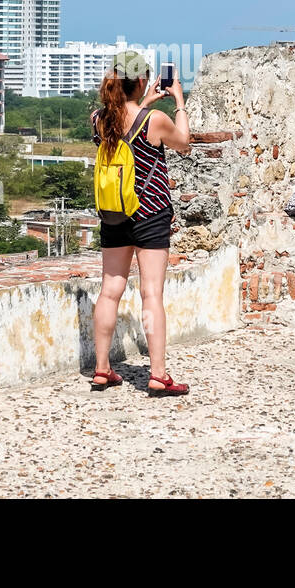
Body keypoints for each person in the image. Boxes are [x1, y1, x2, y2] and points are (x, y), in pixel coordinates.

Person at [89, 51, 192, 396]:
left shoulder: (98, 119)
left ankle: (102, 368)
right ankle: (158, 373)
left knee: (110, 290)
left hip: (113, 214)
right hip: (150, 213)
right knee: (151, 293)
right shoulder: (155, 120)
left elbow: (124, 125)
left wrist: (143, 101)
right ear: (142, 80)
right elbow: (185, 144)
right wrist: (177, 101)